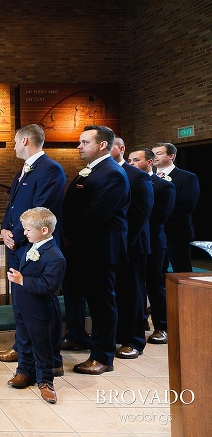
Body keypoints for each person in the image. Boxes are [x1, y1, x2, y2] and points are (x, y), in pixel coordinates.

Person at [0, 124, 65, 371]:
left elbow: (40, 211)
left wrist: (18, 238)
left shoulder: (50, 170)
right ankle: (21, 350)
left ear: (25, 141)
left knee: (37, 305)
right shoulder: (22, 170)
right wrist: (4, 229)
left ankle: (48, 360)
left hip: (33, 247)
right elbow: (12, 206)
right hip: (17, 245)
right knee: (20, 303)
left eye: (14, 141)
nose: (12, 146)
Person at [62, 125, 129, 375]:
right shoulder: (90, 171)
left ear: (102, 145)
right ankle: (78, 336)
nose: (79, 146)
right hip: (81, 248)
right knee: (75, 294)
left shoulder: (111, 173)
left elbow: (96, 214)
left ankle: (102, 356)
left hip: (100, 250)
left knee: (101, 304)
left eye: (84, 142)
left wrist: (61, 227)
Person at [6, 207, 65, 404]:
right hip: (23, 304)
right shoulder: (33, 245)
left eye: (28, 230)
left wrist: (22, 280)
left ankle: (45, 381)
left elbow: (50, 285)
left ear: (44, 231)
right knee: (23, 340)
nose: (24, 233)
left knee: (42, 345)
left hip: (40, 309)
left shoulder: (55, 256)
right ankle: (24, 372)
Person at [127, 148, 175, 345]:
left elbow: (160, 217)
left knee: (154, 284)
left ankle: (162, 326)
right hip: (134, 242)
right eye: (129, 160)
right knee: (136, 285)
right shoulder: (127, 182)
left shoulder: (164, 186)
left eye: (136, 160)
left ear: (149, 162)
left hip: (154, 241)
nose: (131, 164)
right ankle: (140, 322)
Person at [110, 138, 153, 359]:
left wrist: (124, 244)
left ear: (120, 148)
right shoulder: (104, 173)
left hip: (132, 246)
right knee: (116, 293)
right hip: (111, 245)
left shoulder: (138, 176)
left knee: (133, 293)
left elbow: (140, 214)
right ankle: (118, 335)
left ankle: (135, 340)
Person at [151, 142, 200, 273]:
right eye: (152, 154)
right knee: (157, 270)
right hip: (154, 232)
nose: (154, 157)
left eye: (159, 153)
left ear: (171, 156)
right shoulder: (148, 178)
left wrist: (161, 220)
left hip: (176, 230)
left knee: (181, 269)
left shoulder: (187, 177)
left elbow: (186, 205)